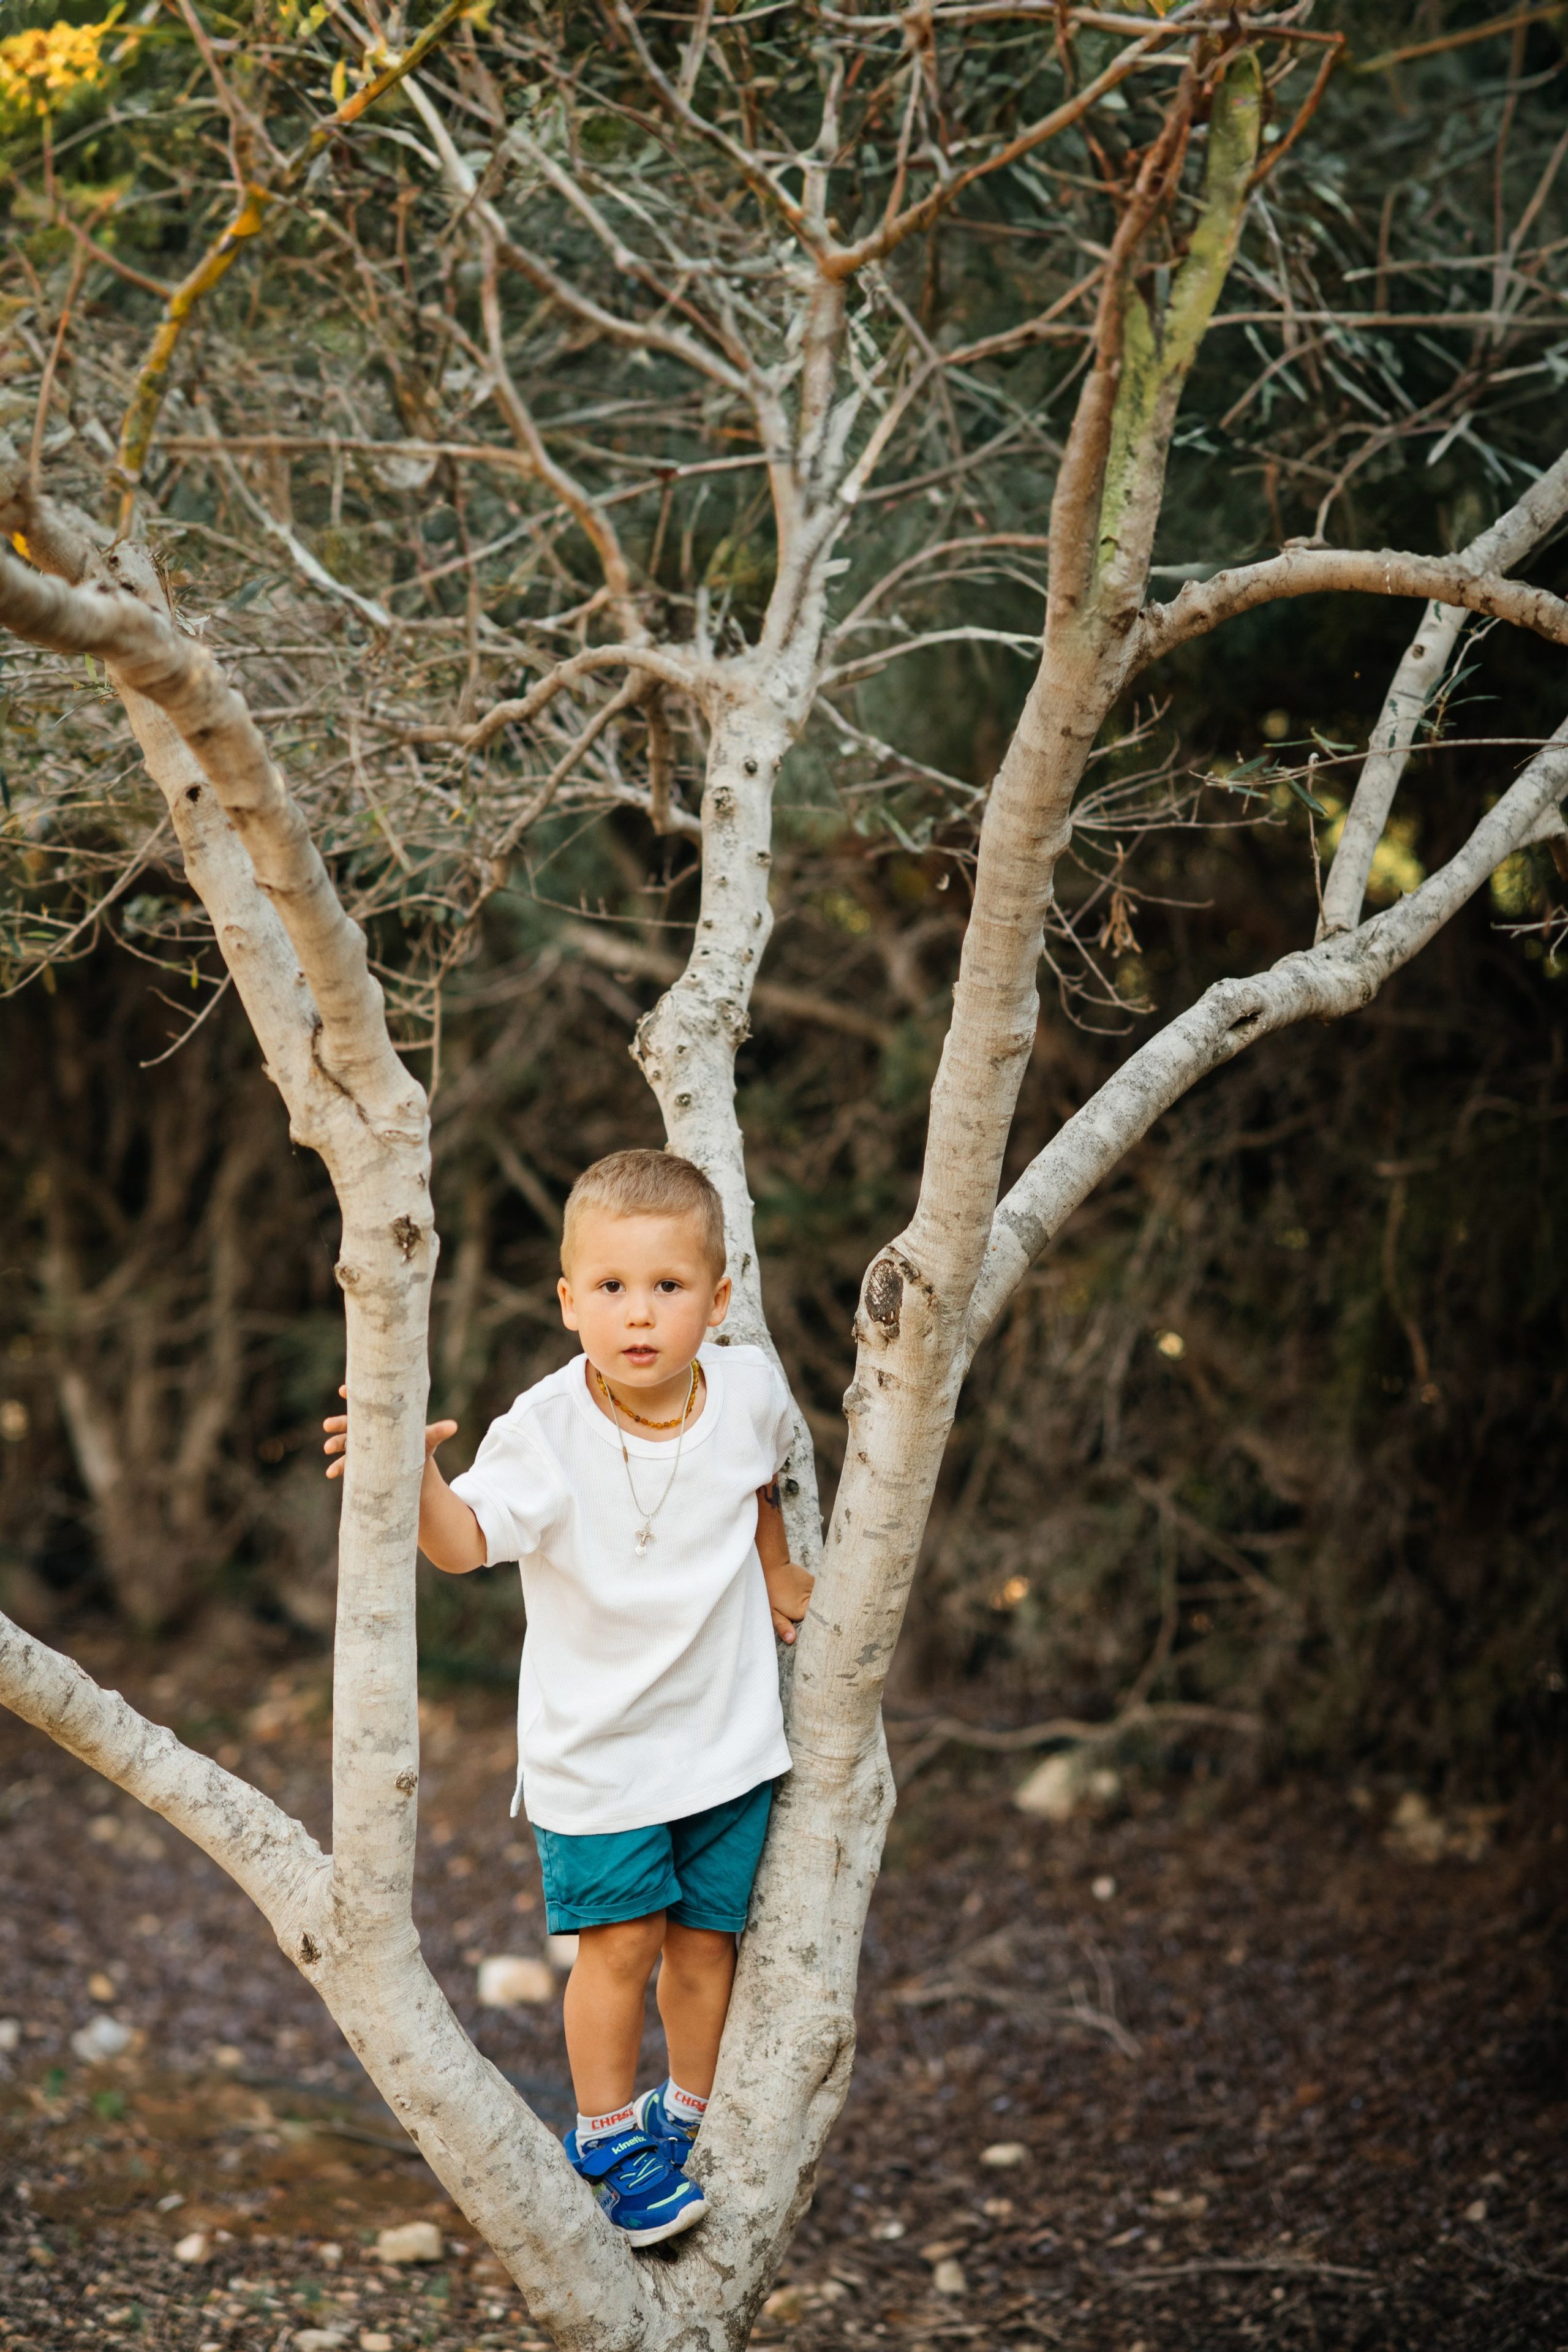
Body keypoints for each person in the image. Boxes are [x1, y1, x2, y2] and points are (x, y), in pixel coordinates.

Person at [323, 1148, 814, 2247]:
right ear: (567, 1300)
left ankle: (685, 2114)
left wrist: (779, 1565)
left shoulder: (747, 1390)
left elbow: (766, 1475)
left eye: (668, 1288)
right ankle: (605, 2130)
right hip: (598, 1752)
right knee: (622, 1945)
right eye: (610, 1288)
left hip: (728, 1738)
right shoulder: (544, 1430)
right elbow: (462, 1545)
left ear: (719, 1300)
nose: (638, 1315)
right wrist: (410, 1476)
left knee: (703, 1944)